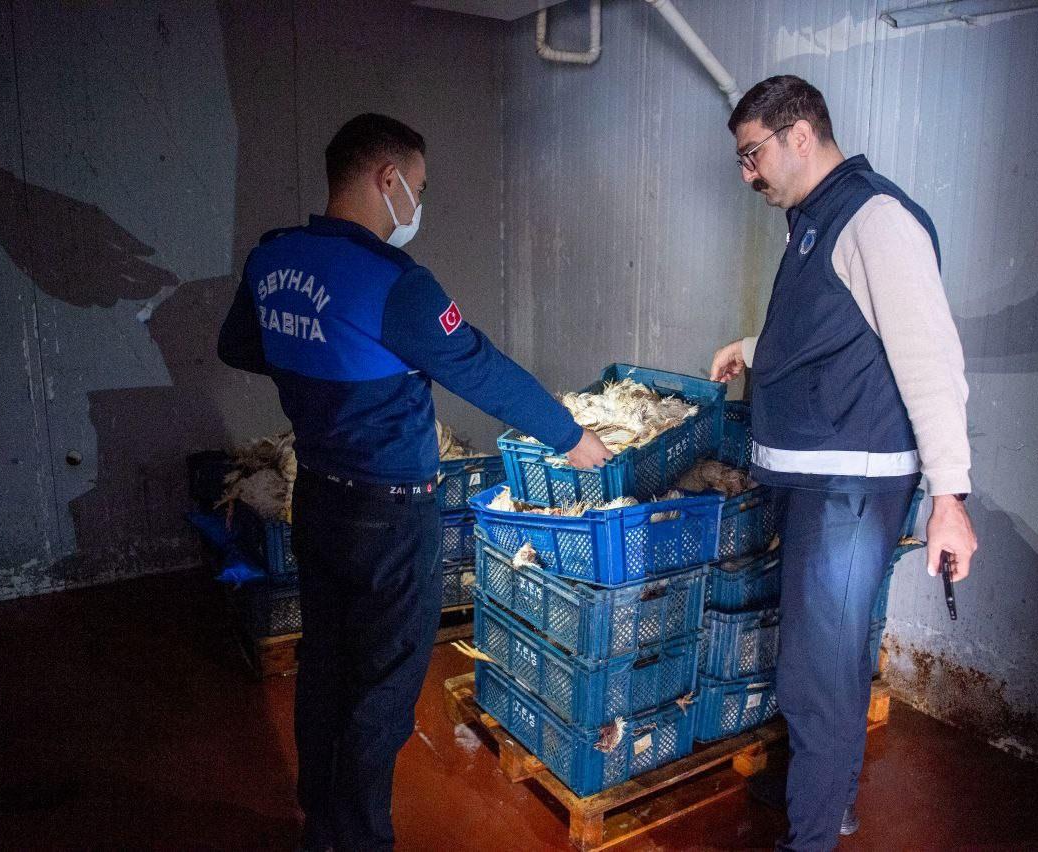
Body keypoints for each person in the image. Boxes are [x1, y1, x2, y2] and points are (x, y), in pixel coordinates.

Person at [217, 113, 611, 852]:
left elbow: (238, 344)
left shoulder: (273, 257)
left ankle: (322, 821)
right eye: (419, 188)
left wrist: (318, 359)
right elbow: (479, 367)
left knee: (325, 665)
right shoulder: (396, 284)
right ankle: (360, 838)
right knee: (385, 687)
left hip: (318, 497)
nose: (418, 205)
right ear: (388, 179)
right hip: (389, 517)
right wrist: (571, 436)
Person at [708, 76, 977, 850]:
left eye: (752, 154)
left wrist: (950, 498)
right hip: (821, 482)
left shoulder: (875, 219)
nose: (747, 174)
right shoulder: (818, 219)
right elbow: (836, 332)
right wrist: (754, 349)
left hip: (852, 489)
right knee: (826, 655)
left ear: (800, 135)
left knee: (817, 671)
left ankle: (815, 830)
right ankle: (823, 789)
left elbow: (930, 363)